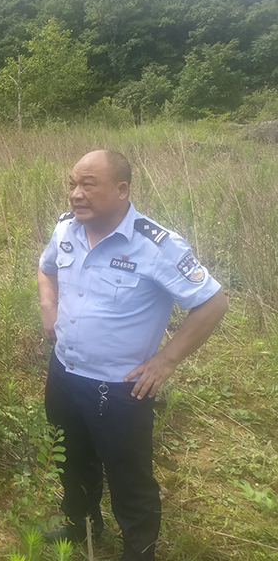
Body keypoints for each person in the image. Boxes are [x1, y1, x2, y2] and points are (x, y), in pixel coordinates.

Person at [37, 150, 228, 561]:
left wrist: (167, 360)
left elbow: (212, 302)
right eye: (72, 183)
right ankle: (81, 526)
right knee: (69, 459)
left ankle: (138, 551)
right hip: (65, 373)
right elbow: (46, 268)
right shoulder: (67, 229)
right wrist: (47, 305)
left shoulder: (156, 245)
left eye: (88, 184)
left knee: (129, 476)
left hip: (120, 387)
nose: (76, 194)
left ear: (122, 190)